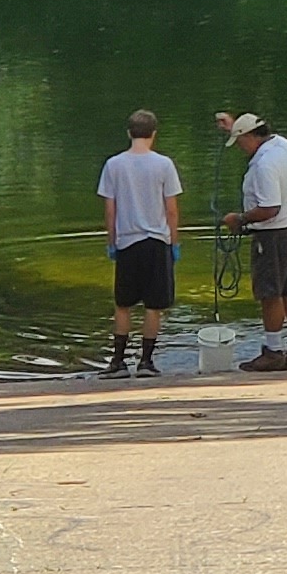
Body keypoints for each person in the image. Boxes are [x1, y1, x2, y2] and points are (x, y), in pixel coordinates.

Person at [218, 111, 287, 371]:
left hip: (273, 237)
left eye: (240, 141)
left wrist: (239, 219)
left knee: (270, 294)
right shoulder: (281, 144)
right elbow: (250, 134)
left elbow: (270, 208)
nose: (239, 147)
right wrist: (233, 127)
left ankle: (272, 351)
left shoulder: (264, 165)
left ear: (250, 137)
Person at [96, 108, 184, 377]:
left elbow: (110, 209)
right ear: (154, 134)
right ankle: (146, 362)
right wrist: (174, 241)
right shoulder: (164, 164)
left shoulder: (114, 165)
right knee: (154, 306)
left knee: (123, 304)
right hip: (157, 241)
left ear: (129, 133)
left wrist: (113, 241)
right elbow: (171, 208)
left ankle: (118, 362)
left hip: (127, 243)